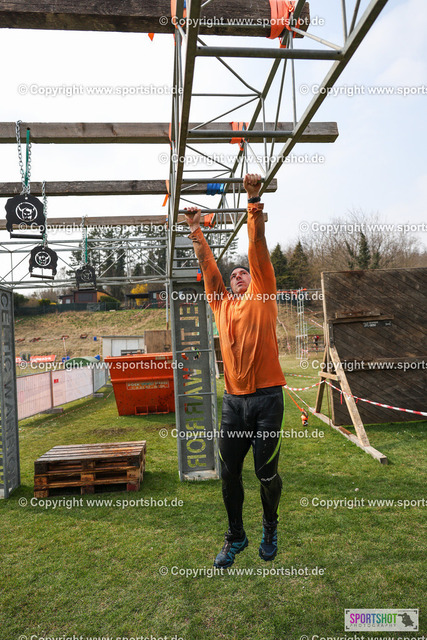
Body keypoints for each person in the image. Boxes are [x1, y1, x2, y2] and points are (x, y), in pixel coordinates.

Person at [184, 174, 286, 568]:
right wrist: (196, 230)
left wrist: (253, 200)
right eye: (233, 275)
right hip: (233, 404)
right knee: (228, 475)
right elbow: (209, 268)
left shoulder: (264, 294)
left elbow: (257, 249)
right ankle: (236, 536)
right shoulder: (221, 305)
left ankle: (270, 526)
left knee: (266, 474)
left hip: (267, 401)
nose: (237, 275)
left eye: (243, 273)